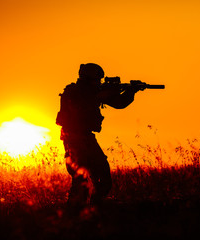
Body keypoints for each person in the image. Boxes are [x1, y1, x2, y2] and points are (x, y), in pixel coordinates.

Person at [56, 63, 138, 211]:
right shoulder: (75, 92)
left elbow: (119, 103)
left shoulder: (93, 92)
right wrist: (106, 93)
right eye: (97, 80)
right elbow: (83, 103)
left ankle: (94, 208)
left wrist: (131, 92)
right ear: (89, 79)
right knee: (80, 178)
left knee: (102, 176)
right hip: (74, 139)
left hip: (86, 138)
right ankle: (74, 213)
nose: (99, 83)